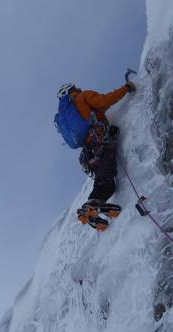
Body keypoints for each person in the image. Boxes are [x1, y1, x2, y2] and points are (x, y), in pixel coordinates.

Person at [57, 81, 135, 231]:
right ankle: (93, 204)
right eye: (75, 87)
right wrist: (126, 88)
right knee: (106, 174)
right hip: (99, 138)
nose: (78, 88)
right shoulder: (82, 96)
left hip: (88, 150)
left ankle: (92, 210)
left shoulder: (64, 116)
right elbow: (105, 101)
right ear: (71, 90)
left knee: (106, 180)